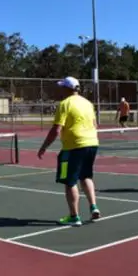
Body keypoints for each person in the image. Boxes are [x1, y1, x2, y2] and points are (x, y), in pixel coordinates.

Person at [37, 76, 100, 226]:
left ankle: (74, 216)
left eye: (62, 87)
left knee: (70, 181)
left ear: (66, 89)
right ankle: (93, 207)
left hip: (73, 147)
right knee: (86, 176)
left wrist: (44, 146)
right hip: (92, 143)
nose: (60, 90)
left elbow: (56, 129)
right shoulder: (88, 103)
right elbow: (95, 124)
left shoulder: (64, 104)